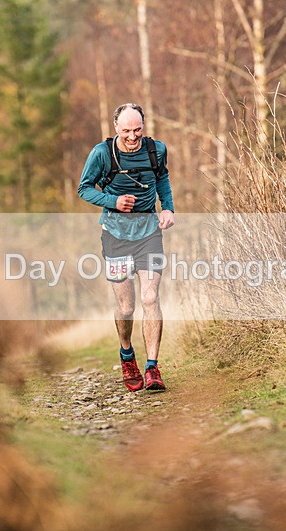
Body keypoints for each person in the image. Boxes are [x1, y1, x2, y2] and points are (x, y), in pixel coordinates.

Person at [78, 103, 175, 392]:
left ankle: (152, 368)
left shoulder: (156, 150)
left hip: (149, 234)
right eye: (126, 131)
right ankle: (127, 355)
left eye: (138, 130)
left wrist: (167, 208)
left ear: (144, 127)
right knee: (127, 305)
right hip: (115, 236)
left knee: (149, 297)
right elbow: (84, 188)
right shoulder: (101, 154)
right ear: (116, 129)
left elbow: (162, 179)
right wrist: (113, 202)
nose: (132, 137)